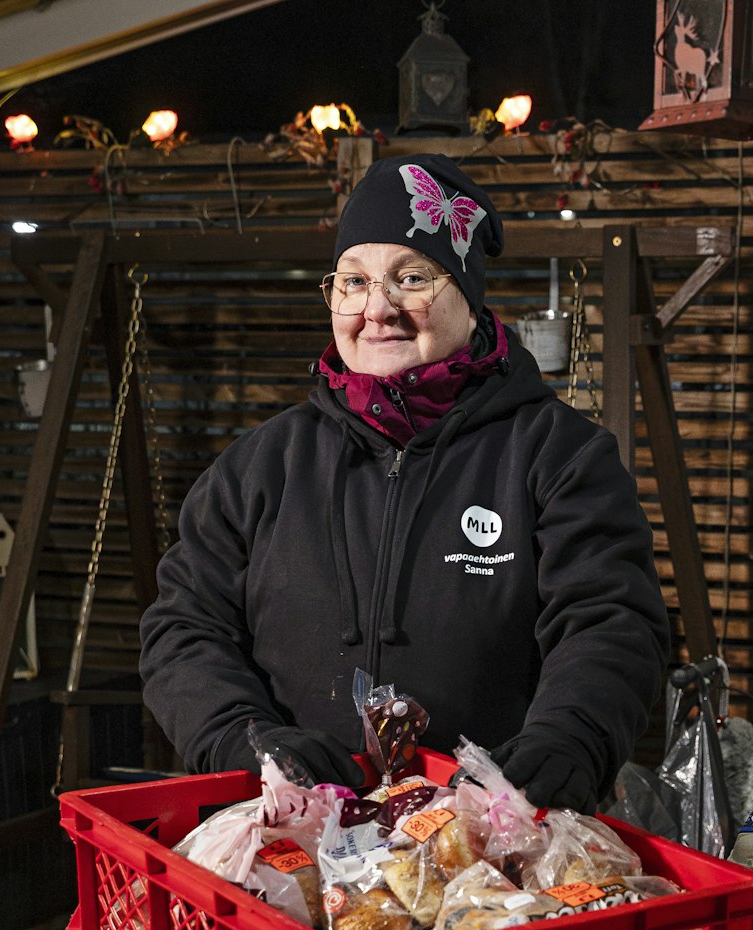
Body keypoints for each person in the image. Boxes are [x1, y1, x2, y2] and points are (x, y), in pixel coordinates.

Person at [140, 154, 670, 812]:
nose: (377, 309)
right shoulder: (262, 465)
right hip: (292, 834)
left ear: (468, 301)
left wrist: (568, 739)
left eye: (410, 278)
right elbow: (185, 627)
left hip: (492, 841)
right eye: (352, 282)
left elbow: (610, 621)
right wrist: (246, 742)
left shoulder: (558, 456)